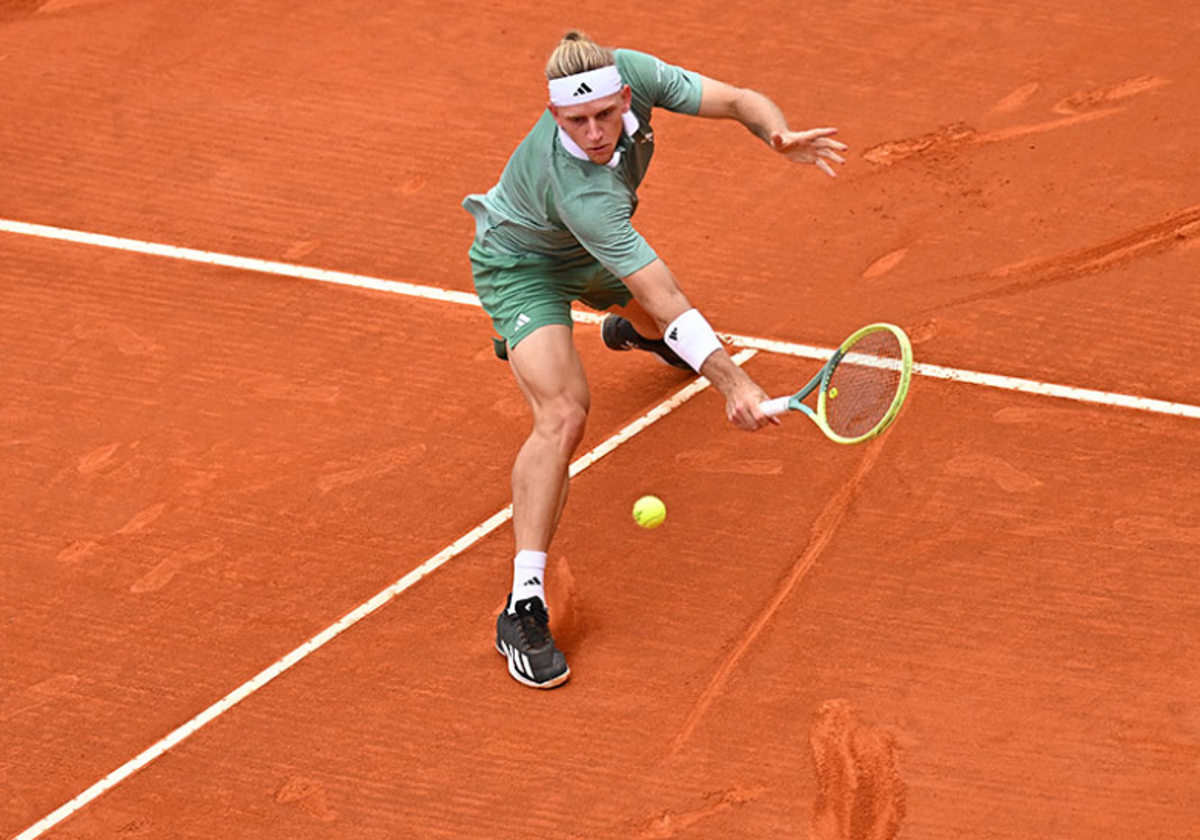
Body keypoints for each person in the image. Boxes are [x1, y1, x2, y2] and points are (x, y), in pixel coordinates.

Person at [463, 31, 847, 689]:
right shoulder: (581, 191)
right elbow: (666, 297)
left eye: (604, 115)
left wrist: (775, 134)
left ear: (624, 95)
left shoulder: (637, 71)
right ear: (554, 116)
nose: (593, 133)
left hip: (592, 253)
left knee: (663, 327)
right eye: (576, 121)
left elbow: (736, 99)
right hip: (522, 265)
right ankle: (522, 605)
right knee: (563, 415)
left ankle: (632, 334)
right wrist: (734, 383)